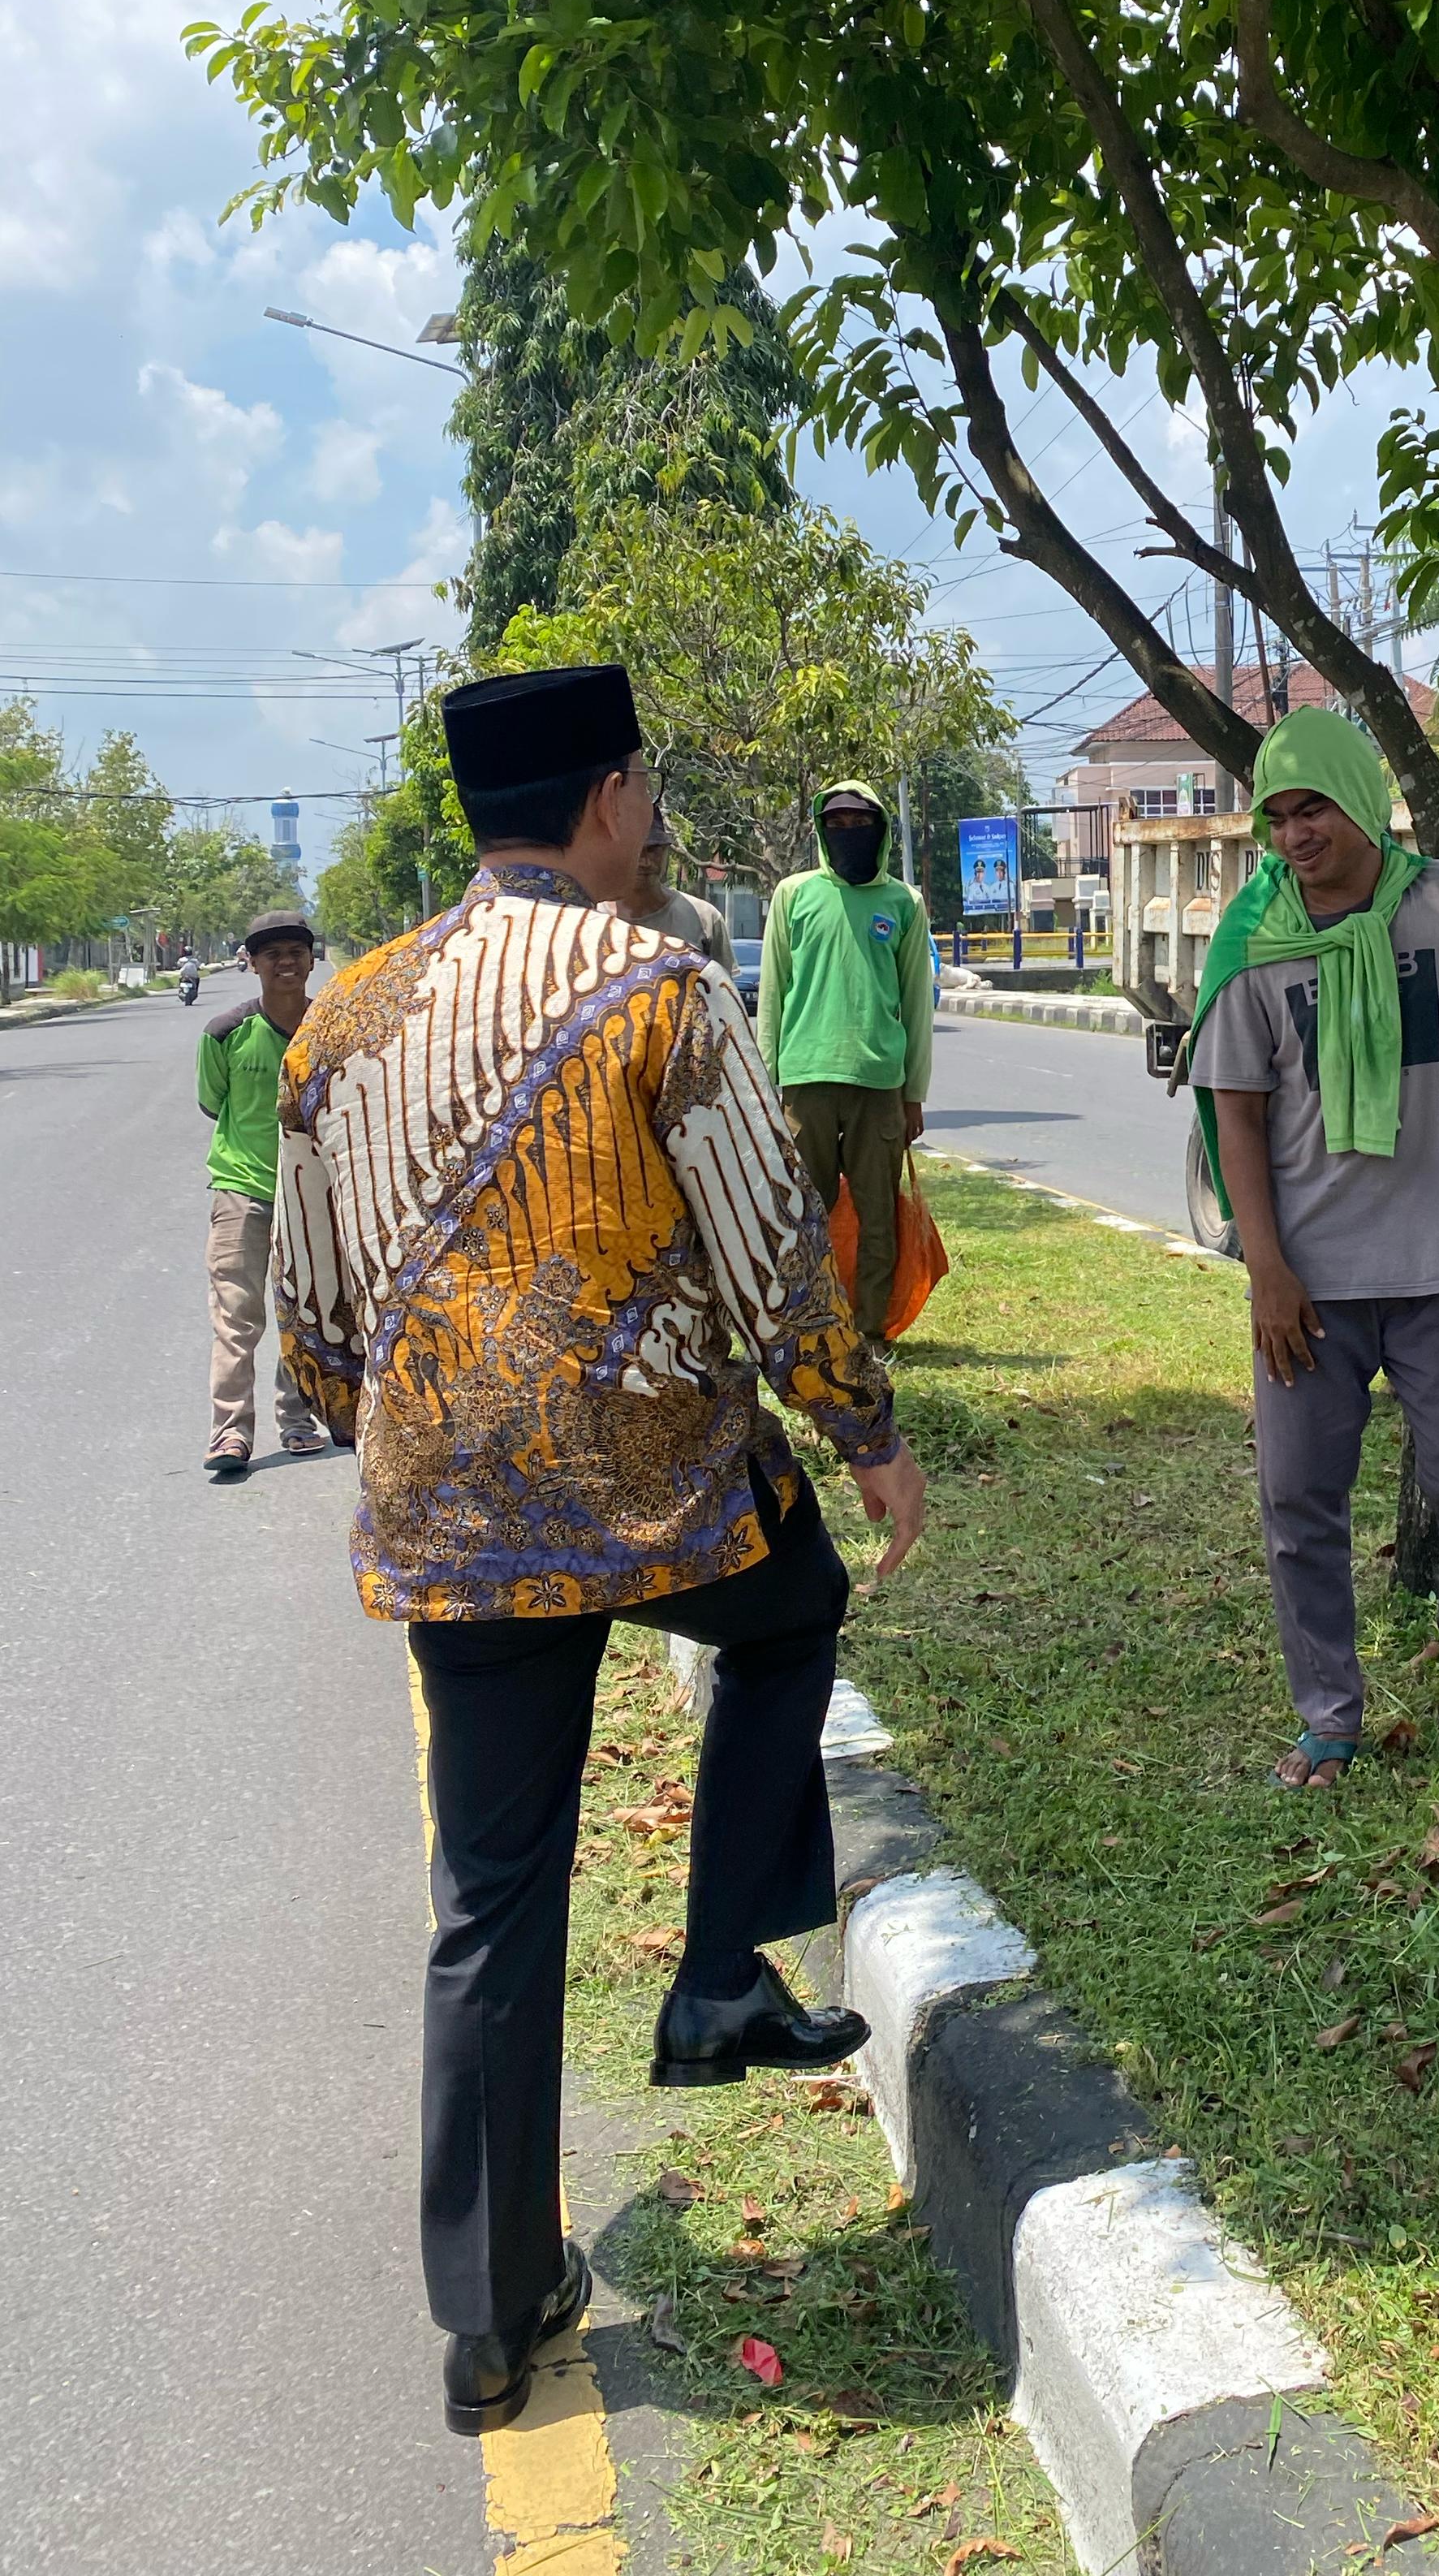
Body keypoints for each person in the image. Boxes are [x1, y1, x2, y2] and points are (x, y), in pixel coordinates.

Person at [274, 666, 928, 2440]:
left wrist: (422, 1441)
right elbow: (774, 1260)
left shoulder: (337, 1022)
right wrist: (863, 1430)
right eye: (644, 790)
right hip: (657, 1491)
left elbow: (315, 1337)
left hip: (453, 1521)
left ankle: (490, 2320)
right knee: (791, 1606)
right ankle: (717, 1974)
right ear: (610, 797)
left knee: (490, 1899)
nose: (652, 819)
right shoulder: (660, 986)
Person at [1183, 707, 1439, 1790]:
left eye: (1312, 807)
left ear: (1360, 800)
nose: (1295, 834)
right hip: (1310, 1279)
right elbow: (1237, 1118)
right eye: (1277, 817)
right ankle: (1329, 1713)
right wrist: (1266, 1271)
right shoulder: (1253, 940)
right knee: (1299, 1499)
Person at [757, 780, 933, 1346]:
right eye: (836, 823)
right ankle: (804, 1327)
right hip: (804, 1078)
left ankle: (870, 1331)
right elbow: (772, 993)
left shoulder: (904, 903)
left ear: (880, 830)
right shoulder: (793, 895)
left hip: (879, 1083)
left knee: (878, 1215)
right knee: (803, 1214)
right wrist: (764, 1086)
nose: (849, 832)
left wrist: (913, 1094)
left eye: (860, 823)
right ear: (821, 828)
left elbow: (916, 1004)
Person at [196, 908, 325, 1477]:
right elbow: (212, 1101)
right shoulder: (225, 1032)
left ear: (312, 959)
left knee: (306, 1310)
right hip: (242, 1190)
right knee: (237, 1315)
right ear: (252, 963)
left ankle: (298, 1420)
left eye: (296, 951)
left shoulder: (331, 1027)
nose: (285, 962)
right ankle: (230, 1433)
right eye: (272, 954)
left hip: (316, 1190)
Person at [627, 795, 735, 977]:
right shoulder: (592, 918)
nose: (645, 861)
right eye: (636, 850)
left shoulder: (705, 918)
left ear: (667, 851)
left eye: (654, 850)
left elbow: (724, 988)